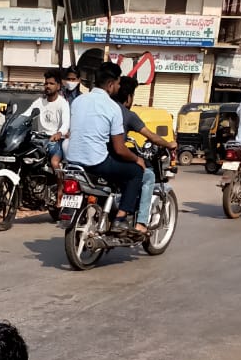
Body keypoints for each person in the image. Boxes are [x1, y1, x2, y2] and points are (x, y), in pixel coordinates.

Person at [67, 61, 145, 234]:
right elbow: (119, 149)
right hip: (96, 162)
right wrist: (137, 159)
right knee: (135, 172)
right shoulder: (113, 108)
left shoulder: (78, 101)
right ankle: (120, 219)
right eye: (118, 83)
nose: (119, 87)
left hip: (72, 160)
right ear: (110, 84)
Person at [116, 75, 177, 233]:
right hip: (114, 160)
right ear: (129, 97)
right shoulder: (128, 114)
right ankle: (141, 223)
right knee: (148, 175)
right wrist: (169, 144)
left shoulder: (104, 108)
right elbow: (152, 136)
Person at [28, 70, 70, 176]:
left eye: (51, 83)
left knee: (55, 163)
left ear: (58, 86)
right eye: (46, 83)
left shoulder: (62, 103)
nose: (48, 86)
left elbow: (66, 123)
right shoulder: (39, 102)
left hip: (55, 141)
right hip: (38, 140)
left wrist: (59, 133)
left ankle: (60, 186)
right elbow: (26, 114)